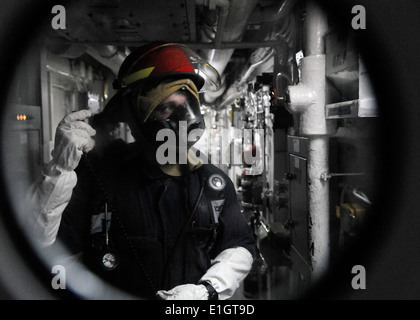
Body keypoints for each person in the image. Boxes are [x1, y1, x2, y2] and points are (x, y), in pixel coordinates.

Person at [28, 42, 256, 300]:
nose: (184, 121)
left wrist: (206, 291)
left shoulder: (211, 182)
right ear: (136, 115)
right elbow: (38, 245)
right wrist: (59, 169)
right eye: (167, 107)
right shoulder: (100, 176)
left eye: (187, 105)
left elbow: (239, 245)